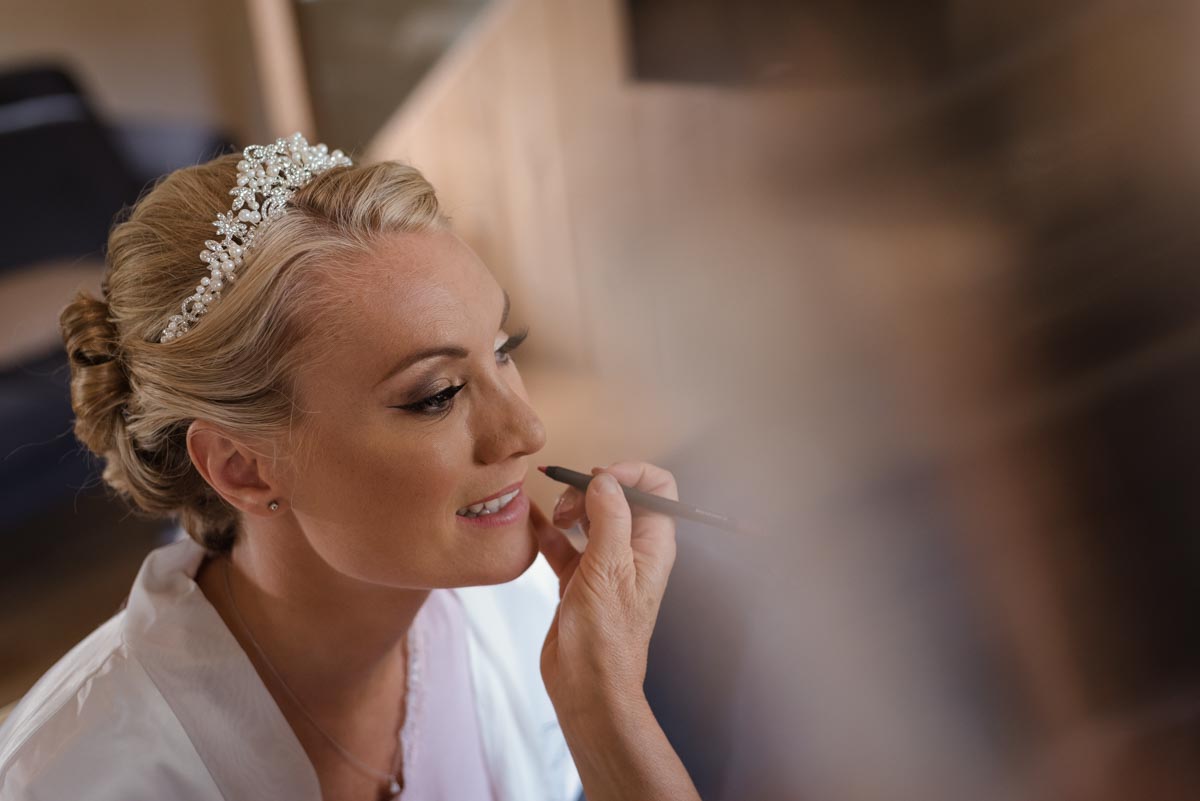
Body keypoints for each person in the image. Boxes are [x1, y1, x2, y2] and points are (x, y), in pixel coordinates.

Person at [0, 133, 701, 801]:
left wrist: (604, 710)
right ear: (242, 467)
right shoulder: (75, 779)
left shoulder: (531, 619)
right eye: (437, 394)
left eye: (503, 349)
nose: (527, 430)